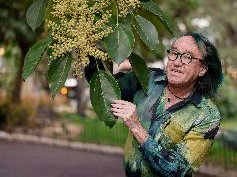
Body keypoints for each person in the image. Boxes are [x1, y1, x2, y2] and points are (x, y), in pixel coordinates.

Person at [87, 32, 223, 177]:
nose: (177, 62)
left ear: (202, 69)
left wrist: (136, 127)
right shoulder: (148, 79)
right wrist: (88, 51)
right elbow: (107, 87)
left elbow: (177, 171)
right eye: (174, 53)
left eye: (187, 57)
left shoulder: (207, 115)